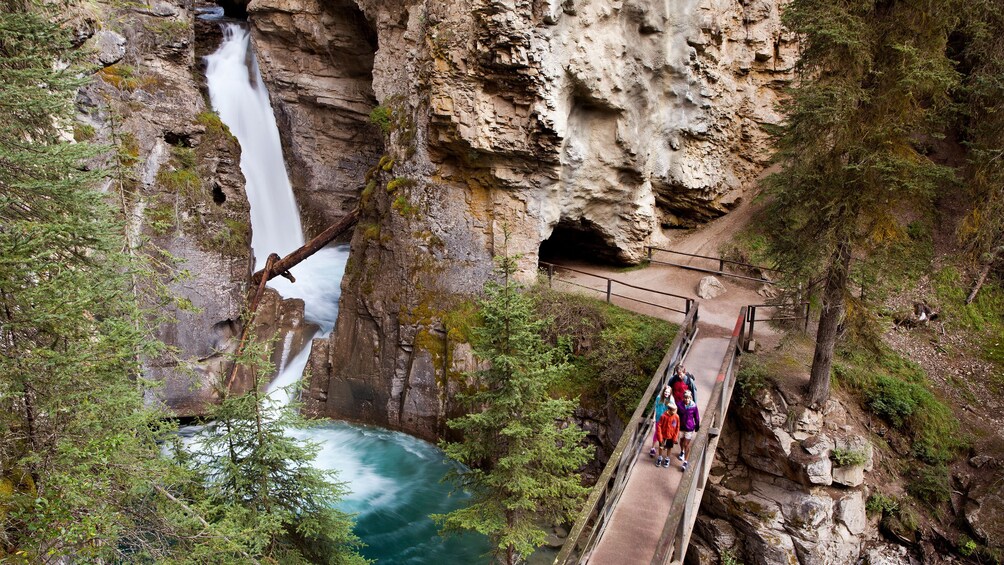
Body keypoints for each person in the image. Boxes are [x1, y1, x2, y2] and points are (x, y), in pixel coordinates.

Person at [677, 390, 700, 472]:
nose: (687, 399)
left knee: (686, 444)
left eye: (689, 398)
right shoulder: (679, 405)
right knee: (681, 441)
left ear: (691, 398)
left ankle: (685, 462)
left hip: (689, 428)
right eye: (686, 398)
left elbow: (696, 417)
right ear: (683, 398)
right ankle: (682, 451)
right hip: (681, 427)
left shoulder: (693, 406)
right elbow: (676, 415)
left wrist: (697, 426)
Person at [649, 387, 673, 457]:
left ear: (670, 393)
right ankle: (653, 448)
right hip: (658, 418)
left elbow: (672, 411)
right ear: (663, 391)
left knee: (664, 433)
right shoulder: (658, 398)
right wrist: (653, 417)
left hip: (665, 420)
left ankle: (662, 445)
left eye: (668, 392)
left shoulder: (670, 401)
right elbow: (656, 408)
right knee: (657, 433)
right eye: (665, 392)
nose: (666, 393)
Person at [654, 404, 680, 469]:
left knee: (669, 447)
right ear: (669, 410)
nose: (675, 412)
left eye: (675, 410)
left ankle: (667, 458)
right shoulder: (663, 416)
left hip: (671, 435)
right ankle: (660, 457)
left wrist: (675, 437)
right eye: (674, 410)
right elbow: (659, 426)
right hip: (663, 434)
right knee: (661, 446)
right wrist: (660, 436)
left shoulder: (676, 417)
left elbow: (677, 427)